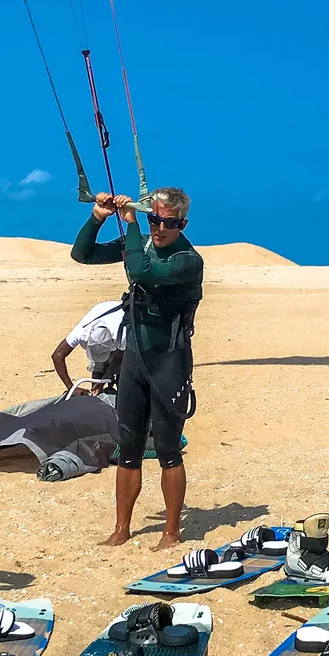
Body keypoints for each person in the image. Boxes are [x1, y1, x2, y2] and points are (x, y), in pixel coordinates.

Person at [71, 187, 203, 550]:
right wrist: (98, 217)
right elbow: (82, 254)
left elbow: (142, 270)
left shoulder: (188, 260)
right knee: (127, 446)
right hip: (134, 362)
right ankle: (121, 529)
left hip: (169, 362)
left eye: (168, 222)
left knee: (167, 447)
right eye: (153, 219)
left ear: (182, 223)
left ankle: (171, 532)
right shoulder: (141, 243)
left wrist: (129, 222)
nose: (159, 228)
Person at [50, 297, 127, 399]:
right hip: (101, 311)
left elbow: (119, 358)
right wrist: (71, 388)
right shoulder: (82, 331)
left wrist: (104, 380)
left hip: (122, 314)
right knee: (98, 367)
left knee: (124, 372)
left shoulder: (122, 335)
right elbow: (57, 356)